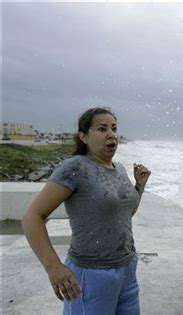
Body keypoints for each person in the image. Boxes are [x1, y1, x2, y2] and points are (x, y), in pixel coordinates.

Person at [22, 107, 151, 315]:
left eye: (114, 128)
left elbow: (123, 216)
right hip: (91, 274)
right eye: (102, 128)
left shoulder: (119, 169)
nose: (111, 134)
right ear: (84, 136)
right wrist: (54, 268)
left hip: (127, 268)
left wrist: (140, 187)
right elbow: (31, 218)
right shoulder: (75, 168)